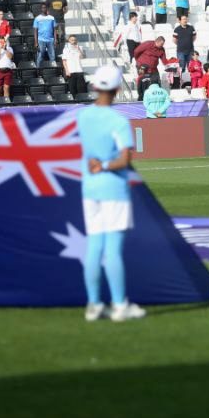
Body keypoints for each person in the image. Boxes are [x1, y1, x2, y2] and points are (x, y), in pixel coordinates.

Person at [75, 65, 145, 323]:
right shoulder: (118, 121)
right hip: (113, 188)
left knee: (94, 246)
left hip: (89, 188)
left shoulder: (82, 116)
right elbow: (125, 159)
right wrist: (105, 165)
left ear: (95, 86)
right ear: (117, 89)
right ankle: (119, 305)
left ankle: (94, 304)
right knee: (112, 249)